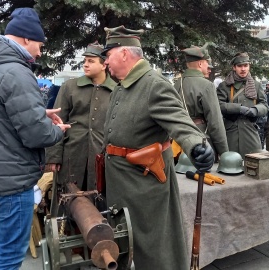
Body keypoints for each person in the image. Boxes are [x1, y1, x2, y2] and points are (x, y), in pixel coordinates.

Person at [0, 8, 70, 269]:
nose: (41, 52)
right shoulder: (16, 72)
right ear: (25, 39)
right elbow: (37, 134)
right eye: (40, 45)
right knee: (10, 257)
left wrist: (35, 111)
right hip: (11, 181)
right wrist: (58, 131)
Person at [102, 25, 214, 270]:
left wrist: (196, 146)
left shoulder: (153, 84)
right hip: (121, 184)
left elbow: (180, 122)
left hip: (145, 187)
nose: (105, 62)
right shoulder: (121, 86)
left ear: (123, 53)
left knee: (154, 251)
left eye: (108, 55)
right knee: (125, 244)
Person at [46, 42, 116, 189]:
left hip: (101, 157)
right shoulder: (69, 87)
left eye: (91, 61)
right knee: (68, 200)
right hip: (72, 155)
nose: (85, 64)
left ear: (104, 65)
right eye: (84, 61)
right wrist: (54, 156)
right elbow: (57, 122)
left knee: (99, 203)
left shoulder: (116, 91)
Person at [174, 44, 228, 158]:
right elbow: (215, 123)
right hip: (200, 142)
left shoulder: (177, 84)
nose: (208, 65)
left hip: (178, 140)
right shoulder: (206, 85)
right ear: (200, 63)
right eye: (206, 62)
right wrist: (224, 152)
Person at [217, 52, 268, 158]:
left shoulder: (256, 85)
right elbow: (218, 105)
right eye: (240, 66)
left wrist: (256, 110)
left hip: (250, 130)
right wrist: (238, 108)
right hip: (231, 132)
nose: (243, 69)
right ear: (234, 67)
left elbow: (264, 105)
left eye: (246, 65)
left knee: (254, 161)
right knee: (230, 163)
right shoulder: (225, 86)